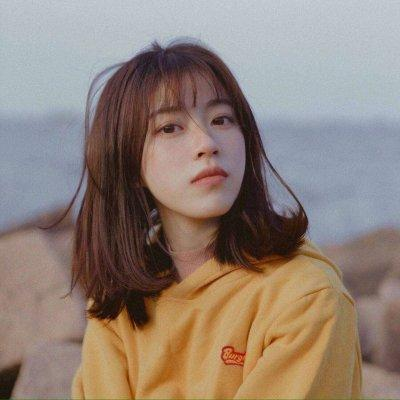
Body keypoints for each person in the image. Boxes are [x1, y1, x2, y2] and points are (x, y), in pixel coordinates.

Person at [62, 37, 362, 399]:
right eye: (169, 128)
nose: (207, 143)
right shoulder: (119, 305)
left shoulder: (306, 295)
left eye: (221, 119)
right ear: (128, 163)